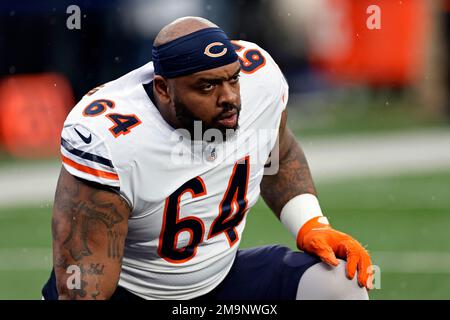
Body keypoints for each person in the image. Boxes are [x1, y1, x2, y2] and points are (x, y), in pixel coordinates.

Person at [42, 16, 372, 300]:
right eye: (207, 87)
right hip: (135, 293)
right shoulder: (110, 139)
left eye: (232, 79)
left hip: (222, 281)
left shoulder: (259, 79)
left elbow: (278, 153)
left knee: (341, 284)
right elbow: (82, 287)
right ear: (163, 89)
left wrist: (310, 223)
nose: (229, 98)